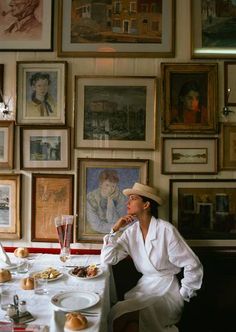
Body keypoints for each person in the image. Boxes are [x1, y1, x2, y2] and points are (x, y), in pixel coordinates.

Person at [100, 182, 203, 332]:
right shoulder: (131, 232)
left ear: (146, 204)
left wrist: (184, 294)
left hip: (167, 291)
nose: (127, 202)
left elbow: (192, 264)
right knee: (119, 316)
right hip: (144, 288)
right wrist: (115, 230)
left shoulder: (166, 230)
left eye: (133, 198)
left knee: (125, 316)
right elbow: (107, 259)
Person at [87, 169, 127, 234]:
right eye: (107, 185)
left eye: (113, 186)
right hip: (96, 232)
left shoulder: (121, 197)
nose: (110, 189)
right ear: (100, 184)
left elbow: (121, 220)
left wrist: (110, 202)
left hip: (117, 233)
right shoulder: (91, 198)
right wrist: (118, 227)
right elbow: (96, 226)